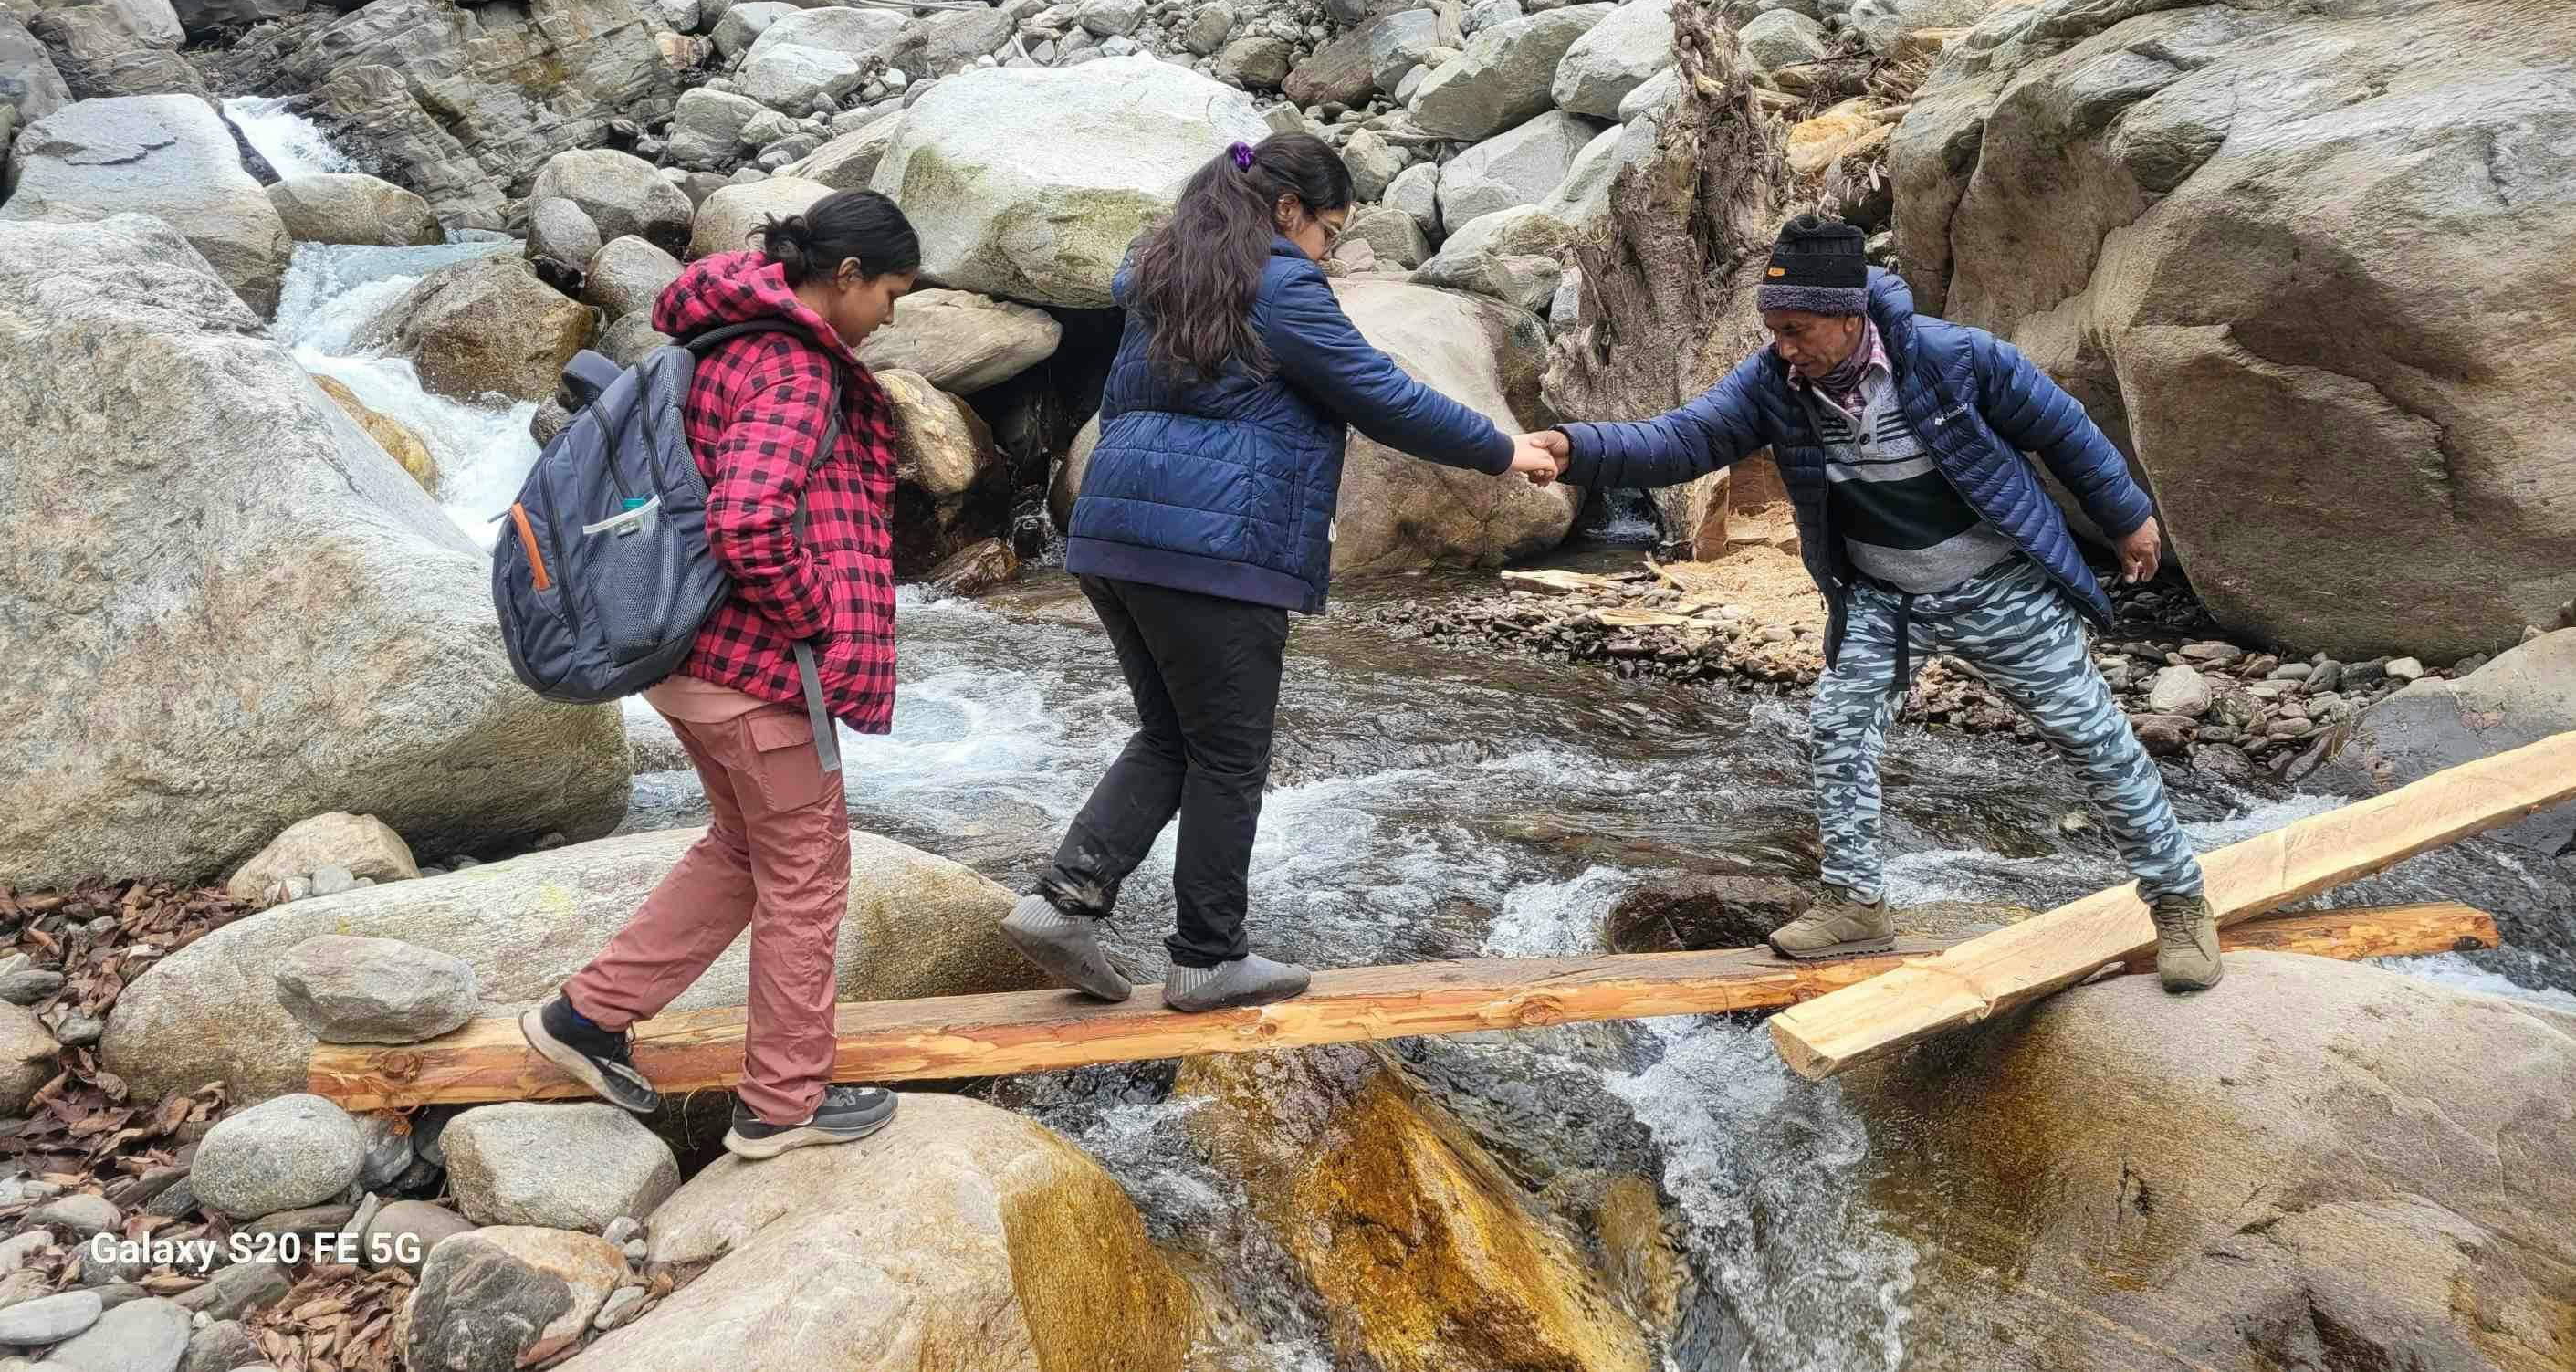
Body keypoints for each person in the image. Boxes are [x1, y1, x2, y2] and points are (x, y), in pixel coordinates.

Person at [1519, 215, 2223, 991]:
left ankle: (2182, 904)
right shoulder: (1774, 386)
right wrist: (1579, 446)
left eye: (1798, 329)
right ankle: (1856, 900)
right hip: (1885, 598)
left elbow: (2063, 429)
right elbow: (1686, 438)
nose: (1783, 347)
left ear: (1852, 316)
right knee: (1838, 728)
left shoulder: (1953, 359)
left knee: (2095, 743)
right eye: (1773, 330)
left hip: (1999, 585)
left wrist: (2127, 517)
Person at [1004, 134, 1563, 1013]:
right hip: (1215, 553)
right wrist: (1502, 448)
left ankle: (1063, 902)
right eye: (1328, 231)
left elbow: (1125, 403)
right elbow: (1378, 391)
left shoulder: (1161, 270)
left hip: (1111, 533)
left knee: (1168, 736)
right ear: (1288, 210)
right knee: (1229, 756)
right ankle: (1207, 955)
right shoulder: (1279, 284)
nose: (1329, 253)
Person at [519, 189, 919, 1157]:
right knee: (808, 876)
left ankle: (587, 1016)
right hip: (759, 676)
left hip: (686, 660)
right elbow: (747, 519)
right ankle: (784, 1103)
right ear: (848, 277)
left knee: (743, 852)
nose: (890, 320)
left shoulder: (723, 340)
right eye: (891, 296)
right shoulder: (793, 368)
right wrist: (815, 618)